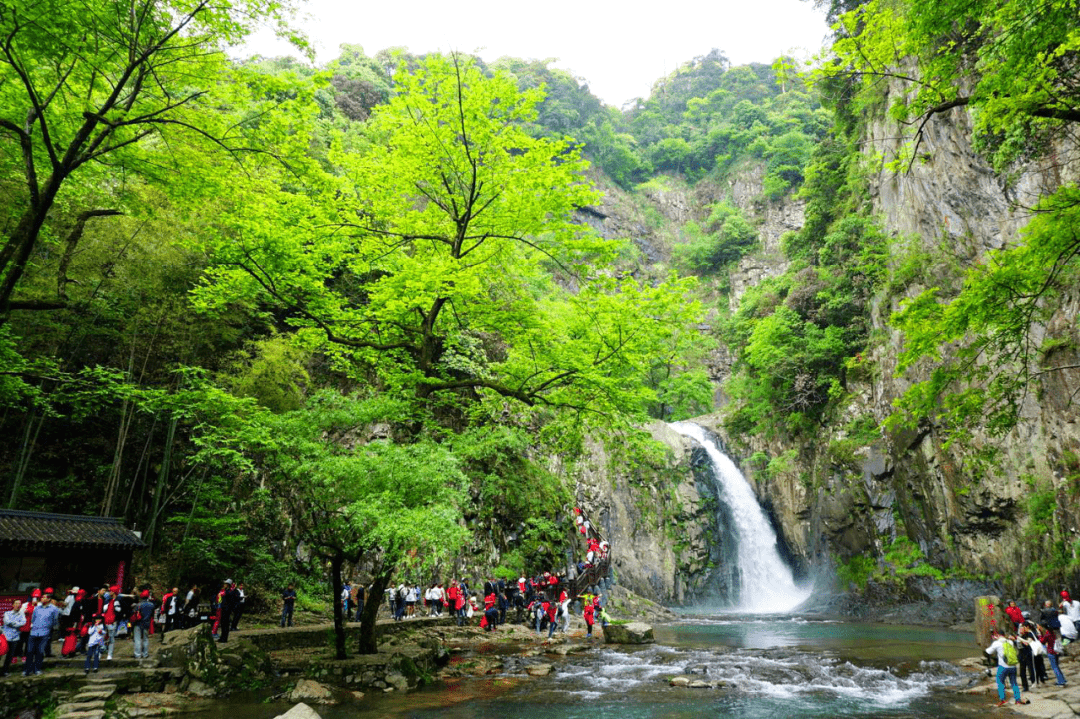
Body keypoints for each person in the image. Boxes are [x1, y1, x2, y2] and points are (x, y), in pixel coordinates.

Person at [24, 590, 60, 676]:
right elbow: (33, 619)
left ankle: (37, 669)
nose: (42, 599)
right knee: (29, 651)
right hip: (34, 632)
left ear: (49, 599)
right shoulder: (37, 608)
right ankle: (27, 670)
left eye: (44, 597)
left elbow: (55, 620)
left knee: (40, 651)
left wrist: (49, 627)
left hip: (45, 632)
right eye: (42, 597)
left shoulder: (54, 609)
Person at [2, 599, 26, 675]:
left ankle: (5, 671)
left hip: (15, 638)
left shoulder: (21, 614)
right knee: (1, 654)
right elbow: (7, 622)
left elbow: (23, 623)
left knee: (10, 656)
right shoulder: (7, 613)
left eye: (19, 603)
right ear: (13, 605)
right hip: (6, 637)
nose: (18, 605)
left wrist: (13, 624)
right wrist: (17, 623)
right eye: (16, 603)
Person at [133, 590, 154, 659]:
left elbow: (134, 614)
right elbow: (152, 615)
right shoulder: (151, 605)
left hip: (138, 623)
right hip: (146, 623)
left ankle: (138, 654)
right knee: (145, 639)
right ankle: (145, 654)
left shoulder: (138, 605)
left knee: (137, 639)